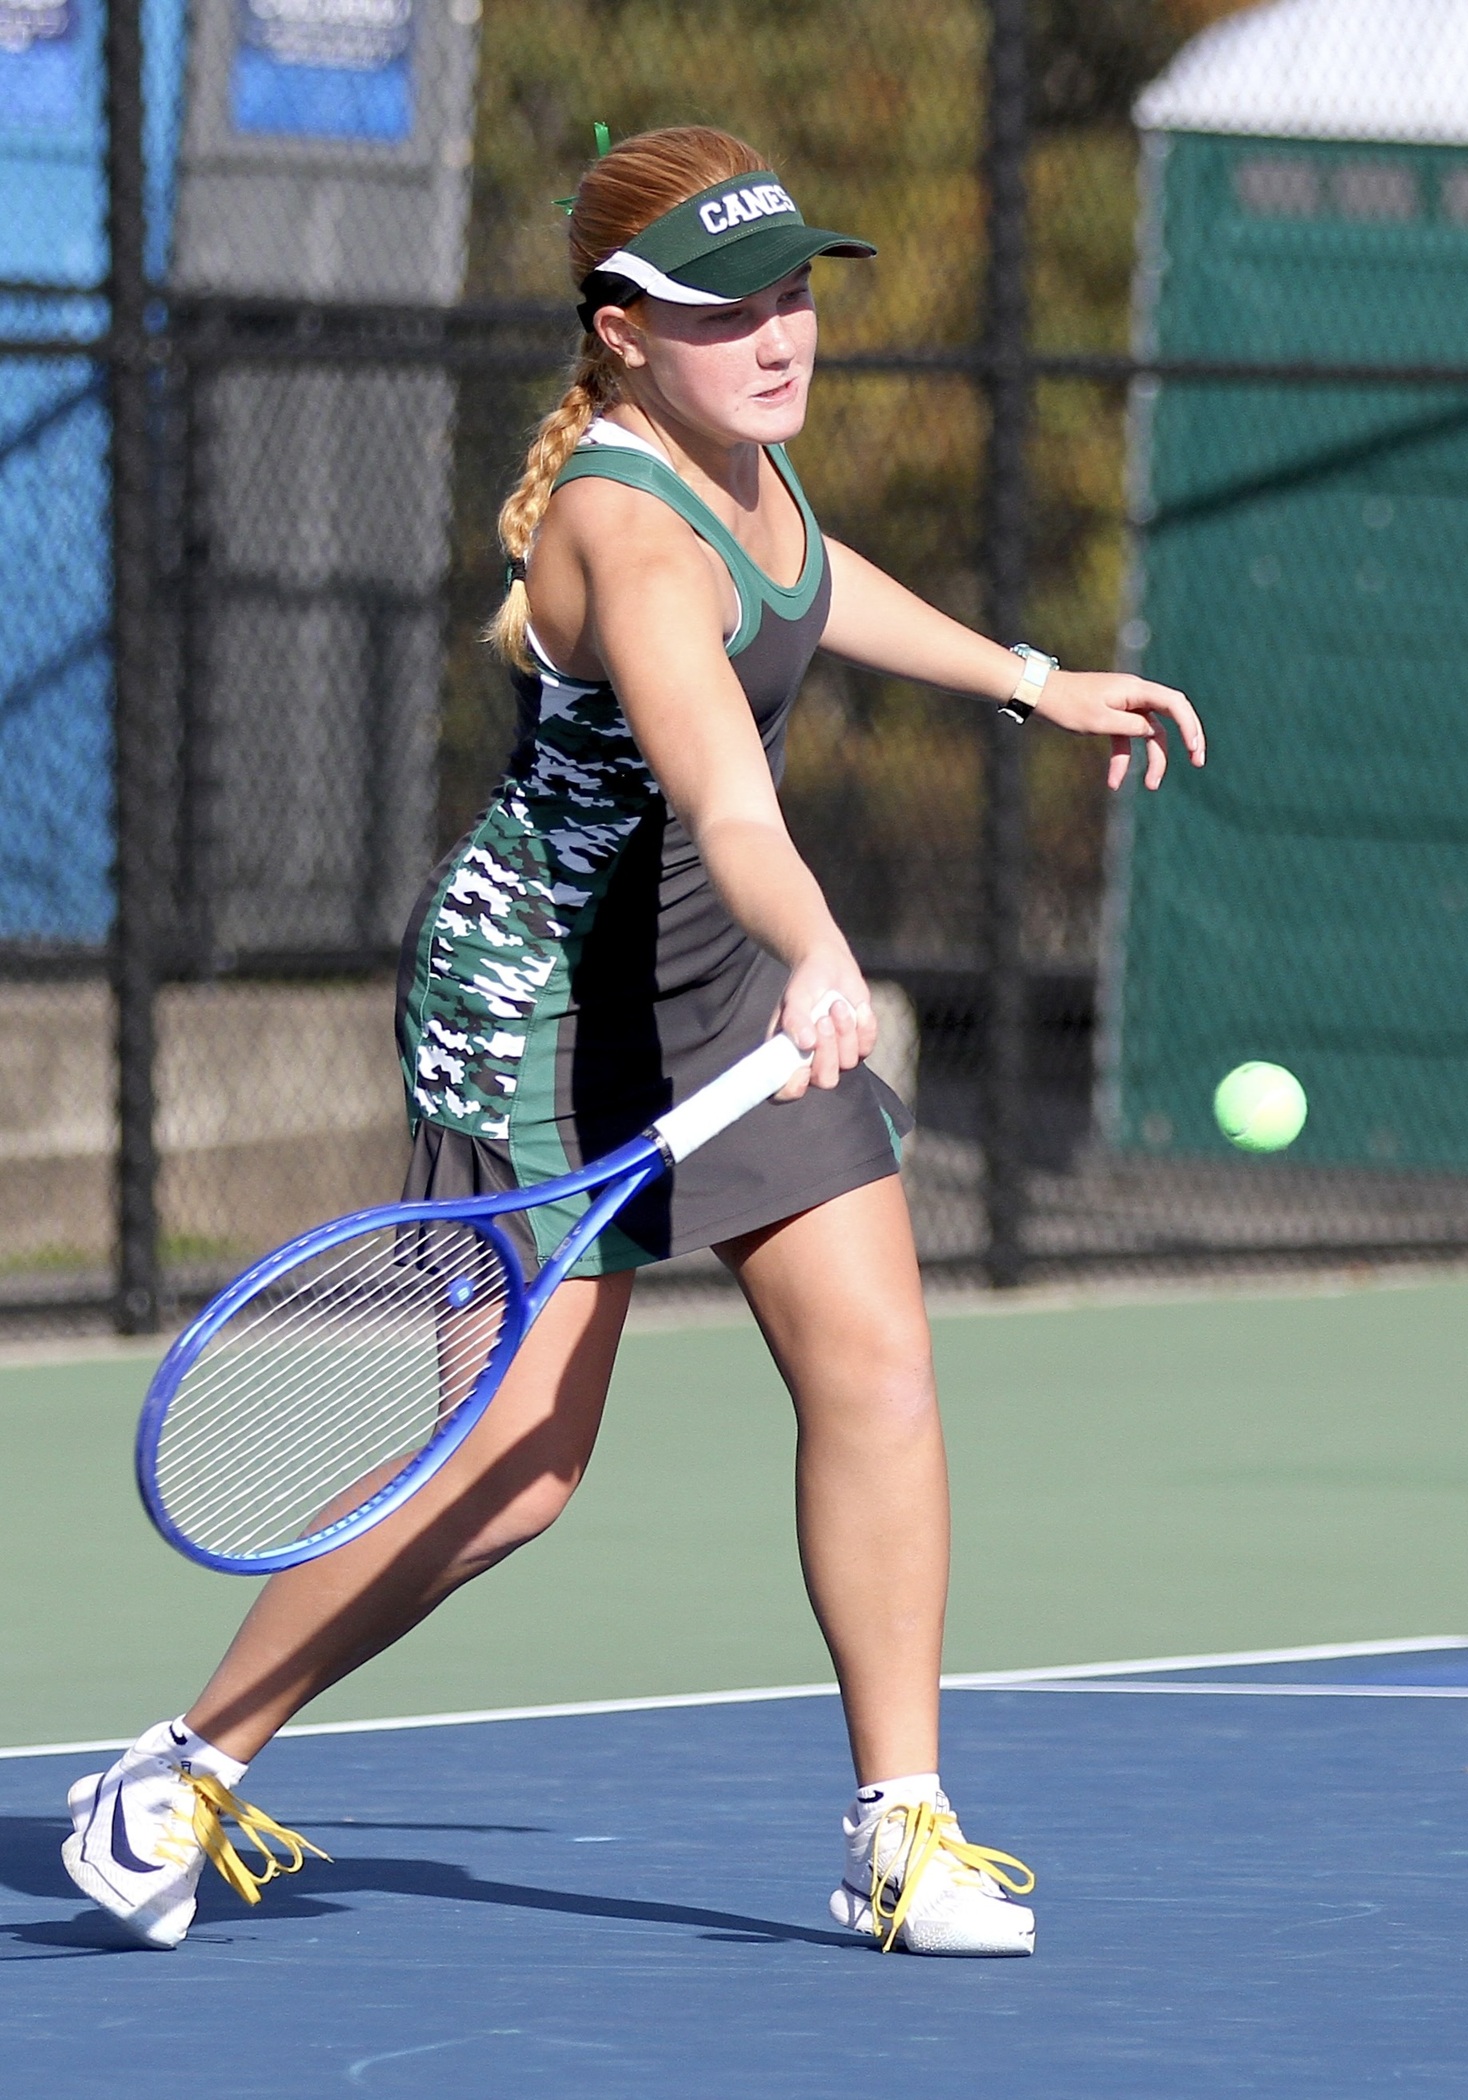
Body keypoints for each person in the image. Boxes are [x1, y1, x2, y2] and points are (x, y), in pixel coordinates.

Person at [62, 124, 1203, 1958]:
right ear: (618, 334)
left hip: (715, 987)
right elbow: (732, 808)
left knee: (880, 1372)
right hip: (546, 1006)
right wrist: (827, 953)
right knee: (517, 1466)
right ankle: (181, 1769)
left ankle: (900, 1833)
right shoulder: (626, 528)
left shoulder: (746, 464)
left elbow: (816, 587)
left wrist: (1025, 675)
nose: (780, 338)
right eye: (728, 310)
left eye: (795, 297)